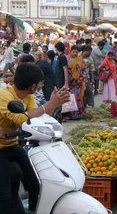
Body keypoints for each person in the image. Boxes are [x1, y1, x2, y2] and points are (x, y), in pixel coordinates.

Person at [0, 63, 69, 213]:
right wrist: (50, 104)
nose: (38, 87)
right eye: (38, 84)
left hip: (12, 145)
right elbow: (21, 119)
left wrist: (53, 103)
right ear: (33, 86)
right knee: (3, 198)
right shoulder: (4, 95)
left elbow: (38, 116)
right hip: (0, 149)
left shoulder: (29, 96)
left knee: (35, 186)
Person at [67, 45, 88, 119]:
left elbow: (84, 70)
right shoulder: (67, 59)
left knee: (78, 97)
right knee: (70, 98)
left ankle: (78, 115)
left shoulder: (80, 60)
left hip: (78, 83)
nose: (75, 53)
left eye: (76, 52)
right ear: (70, 52)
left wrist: (81, 79)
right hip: (69, 83)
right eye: (73, 52)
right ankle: (70, 115)